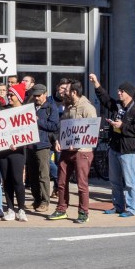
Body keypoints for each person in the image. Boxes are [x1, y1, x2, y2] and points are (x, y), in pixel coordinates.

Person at [91, 74, 135, 218]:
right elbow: (105, 99)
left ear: (129, 94)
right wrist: (96, 83)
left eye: (122, 91)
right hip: (114, 148)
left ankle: (131, 209)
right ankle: (118, 206)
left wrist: (122, 126)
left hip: (128, 151)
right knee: (114, 181)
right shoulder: (117, 106)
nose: (119, 93)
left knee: (130, 182)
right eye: (119, 90)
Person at [48, 80, 99, 224]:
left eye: (67, 91)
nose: (64, 93)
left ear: (74, 92)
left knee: (82, 184)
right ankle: (61, 209)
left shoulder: (87, 108)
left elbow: (92, 131)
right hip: (66, 150)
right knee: (61, 181)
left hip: (82, 152)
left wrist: (78, 145)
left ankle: (83, 213)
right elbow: (63, 127)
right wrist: (58, 141)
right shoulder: (68, 107)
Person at [0, 82, 29, 221]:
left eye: (12, 95)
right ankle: (10, 209)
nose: (9, 97)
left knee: (17, 179)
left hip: (17, 152)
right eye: (9, 95)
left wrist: (19, 143)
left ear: (19, 97)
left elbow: (29, 134)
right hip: (2, 150)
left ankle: (21, 209)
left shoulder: (26, 112)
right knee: (6, 180)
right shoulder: (3, 110)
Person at [26, 84, 59, 213]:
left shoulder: (50, 107)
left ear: (45, 94)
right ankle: (37, 200)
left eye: (39, 95)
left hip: (43, 145)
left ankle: (45, 201)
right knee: (32, 174)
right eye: (35, 95)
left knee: (43, 174)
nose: (37, 98)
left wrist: (38, 121)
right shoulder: (30, 106)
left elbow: (54, 126)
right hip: (30, 144)